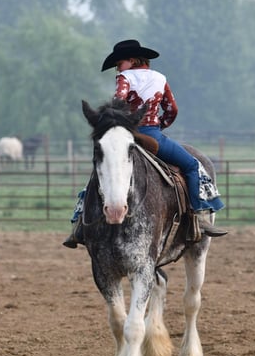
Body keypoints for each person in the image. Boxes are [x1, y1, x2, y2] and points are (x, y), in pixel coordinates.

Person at [64, 39, 226, 248]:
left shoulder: (124, 77)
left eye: (119, 63)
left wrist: (117, 127)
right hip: (153, 136)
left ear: (131, 60)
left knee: (101, 171)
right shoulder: (160, 78)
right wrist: (160, 126)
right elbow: (172, 109)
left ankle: (79, 223)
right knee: (192, 165)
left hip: (125, 134)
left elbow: (118, 103)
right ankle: (197, 217)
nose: (117, 68)